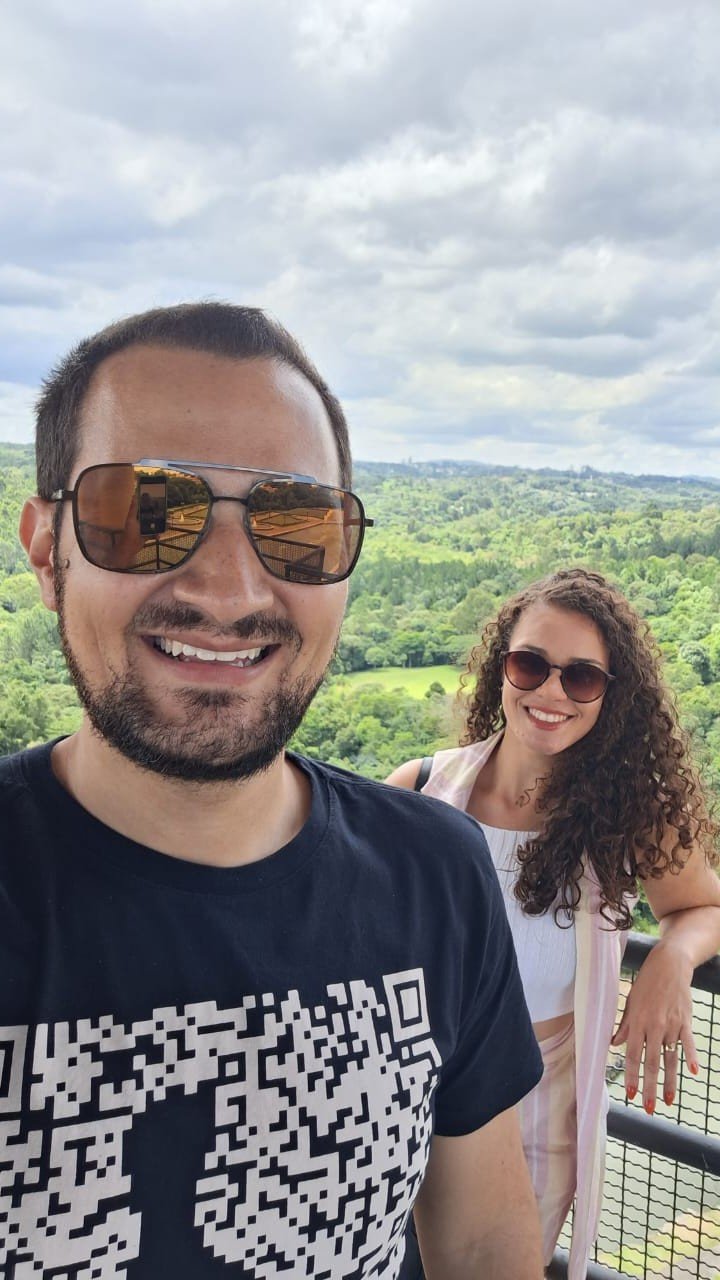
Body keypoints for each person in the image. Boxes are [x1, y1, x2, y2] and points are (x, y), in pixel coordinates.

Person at [1, 302, 545, 1279]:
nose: (228, 589)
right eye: (147, 512)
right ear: (48, 550)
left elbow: (479, 1245)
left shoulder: (437, 872)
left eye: (295, 526)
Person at [387, 568, 720, 1279]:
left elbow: (703, 905)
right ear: (500, 666)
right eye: (530, 664)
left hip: (534, 1110)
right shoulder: (418, 792)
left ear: (612, 695)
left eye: (582, 677)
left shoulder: (629, 816)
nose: (551, 692)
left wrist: (672, 957)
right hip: (404, 1088)